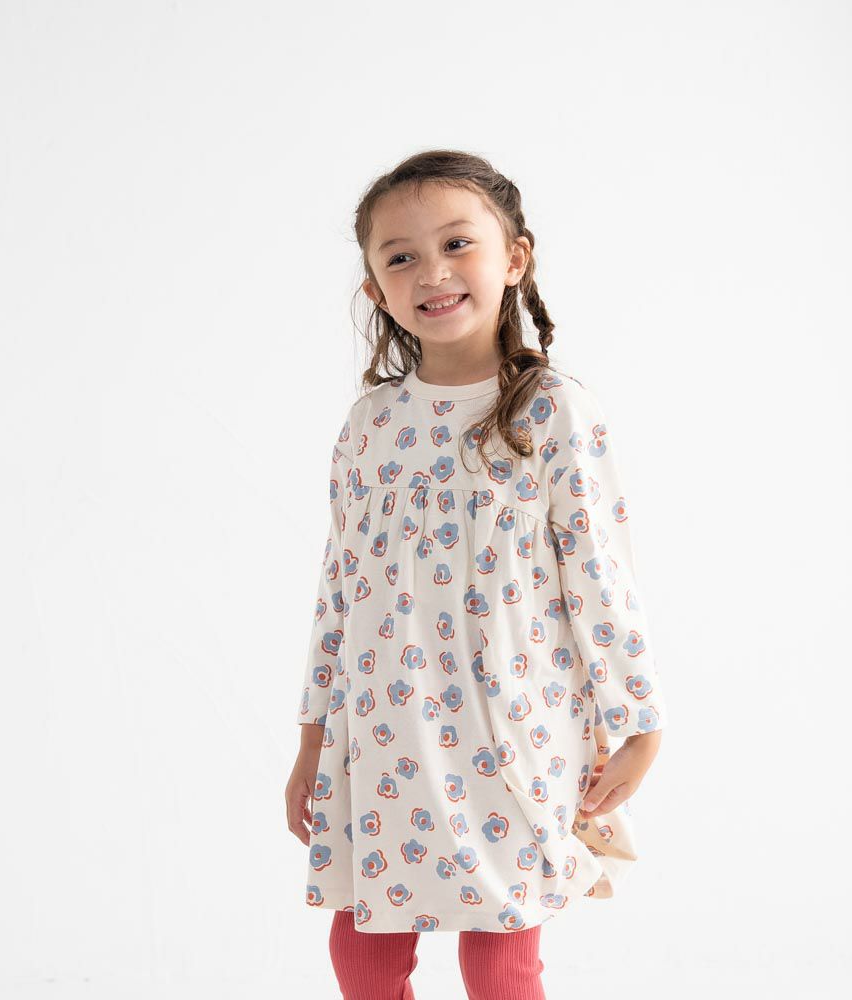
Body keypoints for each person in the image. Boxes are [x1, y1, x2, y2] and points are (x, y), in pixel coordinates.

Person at [284, 149, 670, 1000]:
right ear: (376, 289)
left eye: (457, 243)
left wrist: (638, 724)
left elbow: (602, 581)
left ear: (515, 258)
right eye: (401, 257)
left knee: (501, 958)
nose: (433, 271)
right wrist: (312, 738)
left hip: (513, 728)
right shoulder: (370, 426)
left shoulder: (554, 412)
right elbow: (338, 588)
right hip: (383, 735)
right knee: (364, 951)